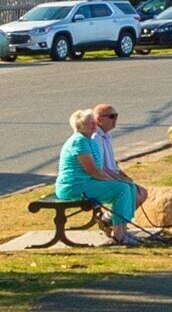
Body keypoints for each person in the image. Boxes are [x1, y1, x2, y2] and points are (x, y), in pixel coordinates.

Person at [51, 104, 155, 244]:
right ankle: (118, 236)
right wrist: (116, 181)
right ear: (80, 126)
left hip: (87, 183)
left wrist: (120, 179)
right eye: (89, 123)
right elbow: (93, 171)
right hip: (74, 186)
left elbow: (101, 168)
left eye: (93, 122)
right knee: (122, 189)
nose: (94, 125)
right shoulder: (78, 141)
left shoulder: (90, 141)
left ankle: (123, 231)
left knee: (129, 187)